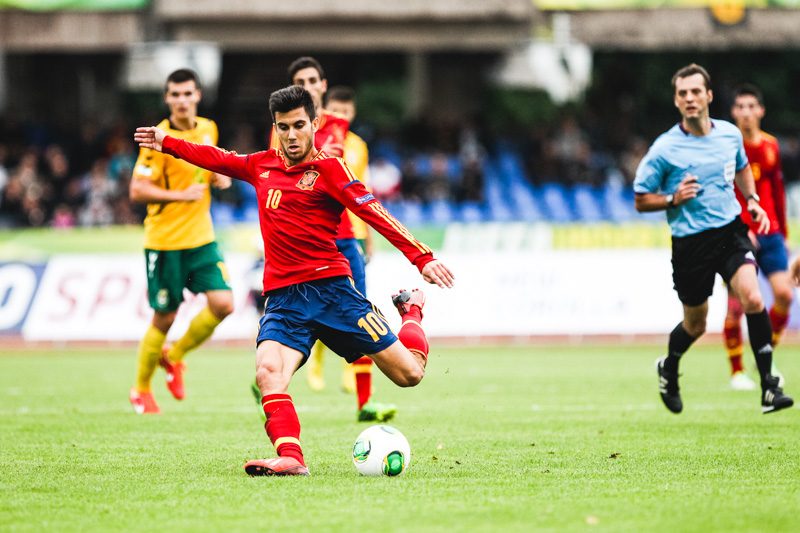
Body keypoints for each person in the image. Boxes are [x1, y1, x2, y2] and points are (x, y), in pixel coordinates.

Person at [134, 85, 455, 476]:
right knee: (268, 371)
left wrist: (421, 257)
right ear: (275, 127)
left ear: (314, 124)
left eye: (299, 125)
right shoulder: (261, 165)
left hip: (335, 295)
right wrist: (168, 141)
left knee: (410, 375)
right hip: (285, 302)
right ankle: (291, 457)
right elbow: (215, 158)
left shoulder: (331, 171)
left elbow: (373, 213)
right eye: (283, 127)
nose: (291, 135)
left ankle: (412, 312)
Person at [633, 63, 792, 415]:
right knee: (696, 324)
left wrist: (751, 201)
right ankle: (670, 366)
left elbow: (740, 169)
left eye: (695, 92)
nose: (690, 98)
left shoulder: (729, 135)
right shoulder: (664, 149)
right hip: (691, 243)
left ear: (708, 96)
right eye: (682, 93)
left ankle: (768, 387)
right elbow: (641, 198)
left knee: (752, 295)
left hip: (730, 231)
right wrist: (673, 199)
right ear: (676, 101)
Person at [128, 68, 234, 415]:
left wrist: (220, 177)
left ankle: (173, 356)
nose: (182, 100)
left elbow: (210, 166)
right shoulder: (156, 139)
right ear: (167, 98)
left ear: (198, 96)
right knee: (165, 316)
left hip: (202, 238)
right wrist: (180, 196)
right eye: (175, 94)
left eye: (188, 93)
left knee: (223, 304)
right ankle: (140, 389)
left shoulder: (208, 128)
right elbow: (137, 189)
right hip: (165, 241)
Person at [723, 84, 791, 391]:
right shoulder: (726, 147)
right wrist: (740, 224)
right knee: (737, 305)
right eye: (741, 107)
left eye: (752, 106)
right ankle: (737, 372)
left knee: (785, 295)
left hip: (771, 231)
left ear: (761, 111)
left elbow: (776, 190)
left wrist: (784, 232)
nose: (746, 113)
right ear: (734, 112)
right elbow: (726, 191)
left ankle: (765, 356)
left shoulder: (771, 146)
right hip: (739, 234)